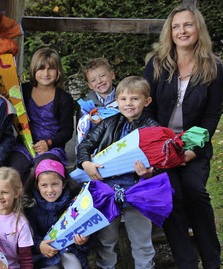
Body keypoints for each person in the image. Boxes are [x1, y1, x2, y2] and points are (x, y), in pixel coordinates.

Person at [143, 4, 223, 269]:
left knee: (195, 192)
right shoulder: (156, 64)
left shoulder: (214, 68)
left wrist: (190, 150)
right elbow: (148, 111)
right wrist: (165, 148)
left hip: (193, 147)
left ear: (198, 28)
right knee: (171, 195)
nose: (182, 31)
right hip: (161, 147)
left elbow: (211, 116)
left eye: (188, 25)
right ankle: (186, 261)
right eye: (176, 26)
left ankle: (212, 260)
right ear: (170, 32)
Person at [77, 76, 158, 269]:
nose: (128, 103)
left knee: (142, 241)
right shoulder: (108, 123)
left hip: (138, 191)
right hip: (108, 190)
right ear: (117, 101)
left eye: (134, 99)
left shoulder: (153, 128)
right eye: (123, 99)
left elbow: (160, 157)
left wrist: (149, 172)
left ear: (146, 101)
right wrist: (86, 163)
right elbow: (86, 145)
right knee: (106, 239)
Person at [7, 48, 74, 181]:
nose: (46, 73)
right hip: (25, 145)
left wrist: (49, 143)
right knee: (13, 172)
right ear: (33, 69)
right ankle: (18, 201)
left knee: (46, 173)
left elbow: (67, 131)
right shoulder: (23, 91)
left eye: (51, 69)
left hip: (51, 147)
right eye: (41, 68)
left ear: (58, 71)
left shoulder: (63, 98)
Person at [24, 159, 89, 269]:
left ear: (63, 184)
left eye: (55, 184)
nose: (50, 190)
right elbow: (29, 234)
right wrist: (39, 245)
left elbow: (86, 230)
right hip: (44, 254)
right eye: (44, 185)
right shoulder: (31, 205)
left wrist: (84, 240)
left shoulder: (75, 202)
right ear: (37, 185)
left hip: (69, 250)